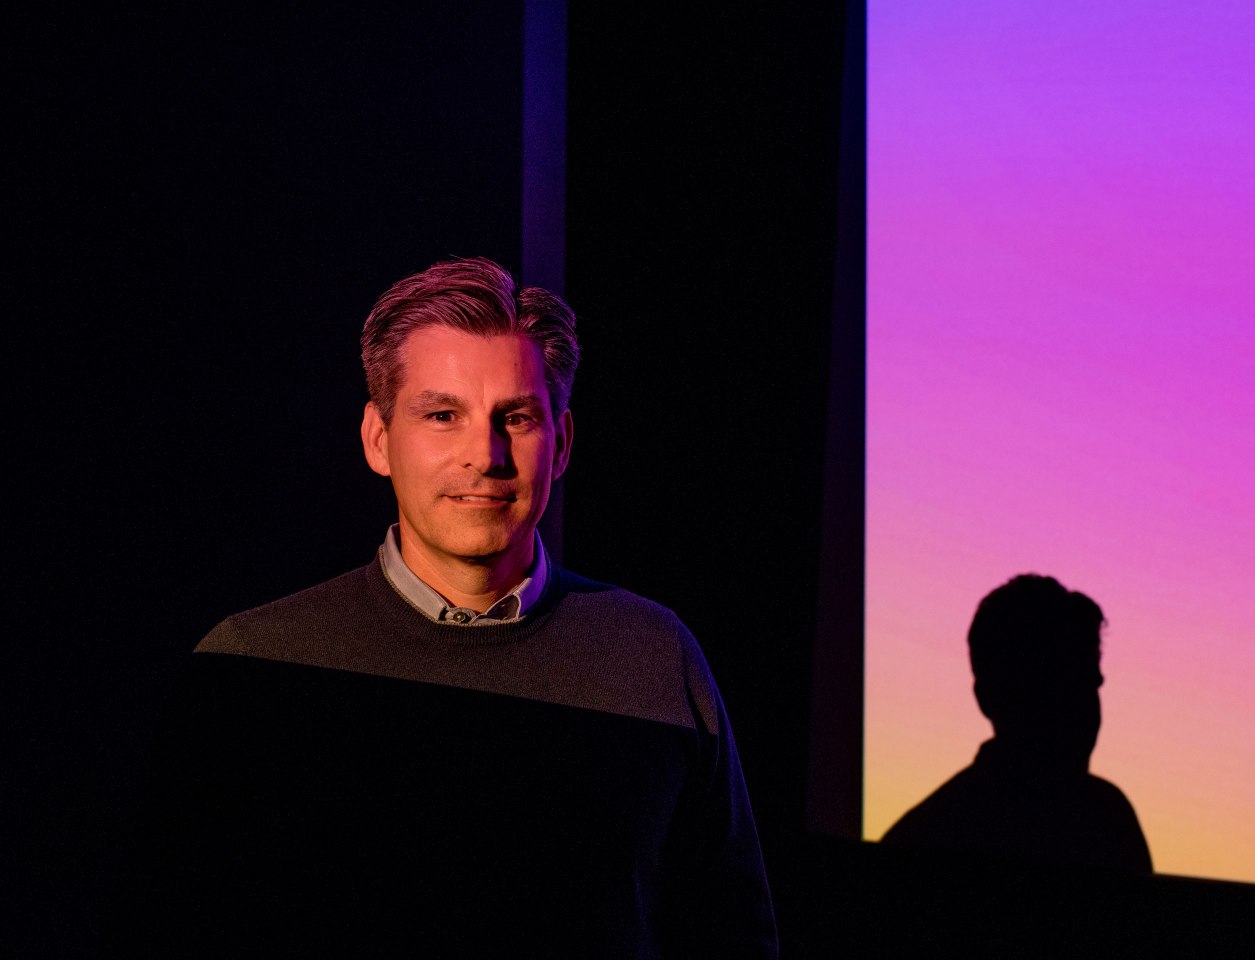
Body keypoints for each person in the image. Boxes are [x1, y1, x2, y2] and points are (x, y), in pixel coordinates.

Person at [120, 257, 778, 957]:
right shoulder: (251, 666)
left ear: (561, 444)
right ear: (378, 439)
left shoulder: (653, 657)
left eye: (516, 418)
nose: (485, 455)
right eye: (442, 416)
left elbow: (731, 937)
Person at [882, 574, 1152, 875]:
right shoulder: (1107, 820)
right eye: (1050, 686)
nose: (1075, 711)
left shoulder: (1109, 818)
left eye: (1084, 684)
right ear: (990, 697)